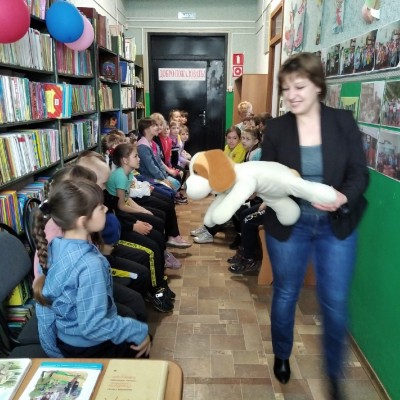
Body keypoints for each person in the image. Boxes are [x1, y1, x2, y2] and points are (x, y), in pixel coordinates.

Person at [261, 52, 369, 399]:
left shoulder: (342, 122)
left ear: (318, 86)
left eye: (299, 87)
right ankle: (282, 354)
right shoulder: (277, 128)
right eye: (286, 88)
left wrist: (343, 197)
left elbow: (359, 174)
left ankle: (334, 375)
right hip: (290, 225)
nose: (291, 95)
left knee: (335, 302)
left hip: (335, 226)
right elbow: (268, 176)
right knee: (286, 292)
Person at [32, 179, 151, 358]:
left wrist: (54, 351)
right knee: (141, 348)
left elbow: (45, 309)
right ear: (83, 221)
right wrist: (137, 330)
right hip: (93, 347)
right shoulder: (90, 264)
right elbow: (93, 326)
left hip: (67, 343)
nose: (106, 208)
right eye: (100, 207)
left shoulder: (52, 248)